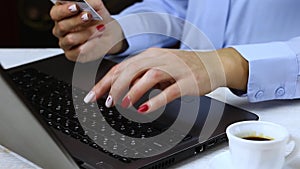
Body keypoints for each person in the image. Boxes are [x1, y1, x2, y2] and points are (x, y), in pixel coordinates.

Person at [50, 0, 300, 114]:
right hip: (184, 101)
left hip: (278, 111)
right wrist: (120, 33)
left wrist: (229, 63)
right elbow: (177, 6)